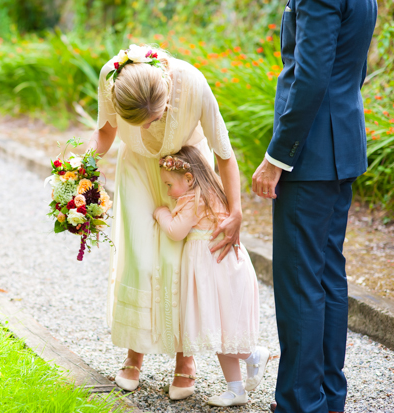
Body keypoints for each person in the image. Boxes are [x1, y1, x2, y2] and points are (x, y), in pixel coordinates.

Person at [88, 44, 244, 397]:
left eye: (153, 119)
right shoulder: (111, 78)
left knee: (181, 261)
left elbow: (224, 153)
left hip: (187, 172)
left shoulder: (193, 83)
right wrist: (76, 170)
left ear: (167, 97)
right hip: (139, 172)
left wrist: (235, 211)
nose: (147, 126)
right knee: (141, 261)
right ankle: (134, 353)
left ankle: (184, 359)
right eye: (137, 122)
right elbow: (105, 135)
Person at [250, 0, 378, 412]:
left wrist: (277, 156)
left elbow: (310, 76)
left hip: (309, 156)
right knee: (326, 276)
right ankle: (325, 398)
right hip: (340, 144)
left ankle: (300, 404)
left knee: (300, 282)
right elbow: (352, 69)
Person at [153, 146, 269, 406]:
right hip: (226, 268)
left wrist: (160, 212)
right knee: (223, 331)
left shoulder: (194, 199)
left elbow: (175, 231)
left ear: (189, 179)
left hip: (214, 270)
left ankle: (253, 355)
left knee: (221, 330)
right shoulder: (213, 191)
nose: (169, 191)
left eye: (169, 184)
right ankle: (236, 389)